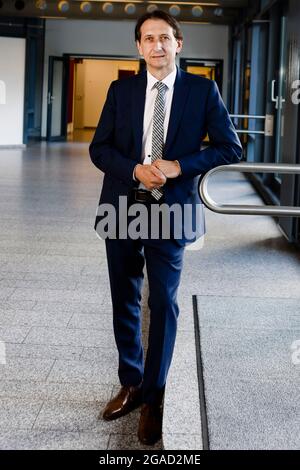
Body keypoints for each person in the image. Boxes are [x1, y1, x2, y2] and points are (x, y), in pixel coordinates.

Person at [89, 9, 242, 445]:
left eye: (165, 38)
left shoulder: (201, 90)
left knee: (164, 302)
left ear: (179, 44)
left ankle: (154, 396)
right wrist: (136, 169)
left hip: (172, 210)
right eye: (148, 38)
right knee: (124, 297)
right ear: (139, 47)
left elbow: (230, 147)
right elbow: (99, 149)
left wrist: (179, 166)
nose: (157, 45)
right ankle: (131, 382)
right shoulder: (121, 90)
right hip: (121, 205)